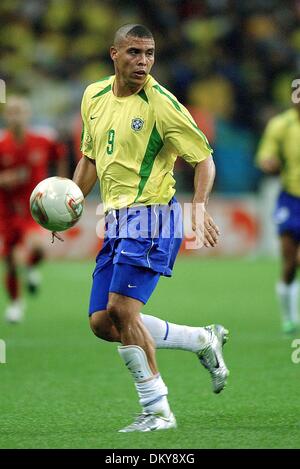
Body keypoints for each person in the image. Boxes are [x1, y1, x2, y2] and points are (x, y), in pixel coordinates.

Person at [72, 24, 229, 432]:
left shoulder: (163, 105)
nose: (143, 62)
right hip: (116, 219)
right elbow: (90, 159)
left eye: (150, 54)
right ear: (114, 53)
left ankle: (157, 409)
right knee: (102, 323)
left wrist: (199, 206)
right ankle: (201, 339)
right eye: (134, 53)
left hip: (153, 216)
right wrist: (71, 202)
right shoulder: (93, 95)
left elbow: (204, 159)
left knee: (123, 311)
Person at [0, 95, 67, 323]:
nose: (15, 116)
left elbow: (60, 155)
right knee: (10, 260)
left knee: (38, 248)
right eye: (11, 112)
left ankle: (30, 268)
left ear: (28, 115)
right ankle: (16, 304)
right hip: (7, 211)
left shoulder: (42, 140)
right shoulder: (2, 145)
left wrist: (61, 182)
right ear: (5, 116)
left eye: (19, 111)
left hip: (34, 207)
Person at [257, 103, 300, 333]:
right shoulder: (281, 125)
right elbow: (266, 154)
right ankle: (289, 318)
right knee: (290, 262)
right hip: (290, 199)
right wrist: (268, 162)